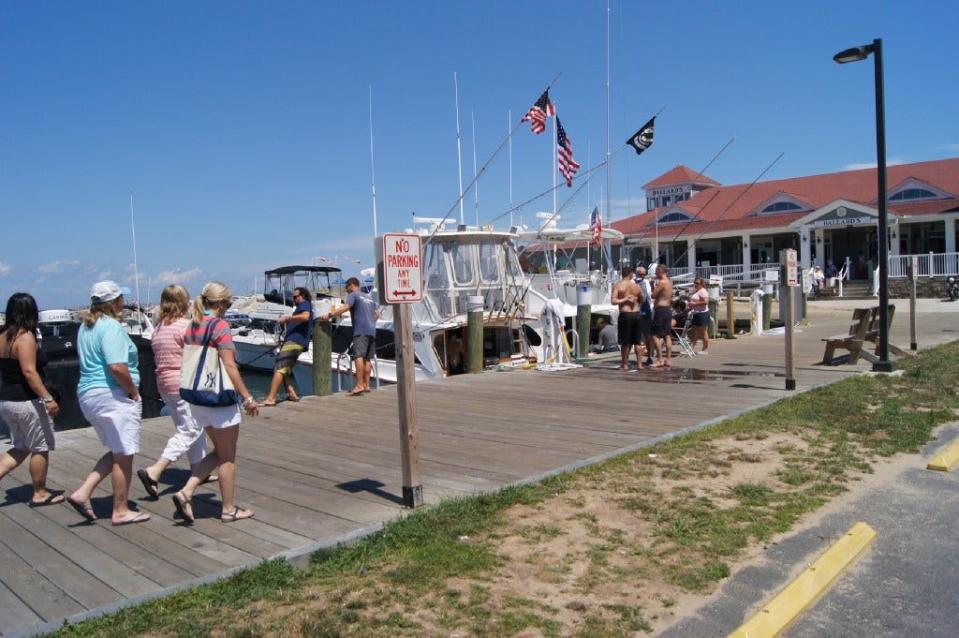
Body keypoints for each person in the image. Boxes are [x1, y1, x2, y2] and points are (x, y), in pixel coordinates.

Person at [172, 282, 259, 524]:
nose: (228, 308)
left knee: (220, 451)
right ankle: (228, 509)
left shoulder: (193, 324)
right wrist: (248, 397)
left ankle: (186, 491)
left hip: (197, 398)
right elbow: (230, 365)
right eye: (228, 304)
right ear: (220, 304)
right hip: (218, 398)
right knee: (228, 457)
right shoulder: (219, 325)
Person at [67, 281, 149, 525]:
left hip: (89, 395)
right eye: (122, 298)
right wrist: (133, 392)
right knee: (125, 453)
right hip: (112, 395)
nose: (125, 302)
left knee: (117, 448)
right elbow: (116, 367)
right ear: (114, 302)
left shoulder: (86, 326)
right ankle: (121, 510)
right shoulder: (111, 327)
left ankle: (83, 493)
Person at [136, 285, 211, 500]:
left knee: (188, 426)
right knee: (191, 430)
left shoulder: (159, 328)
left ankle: (199, 470)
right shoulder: (185, 326)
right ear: (183, 302)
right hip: (183, 383)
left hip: (164, 384)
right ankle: (155, 471)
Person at [0, 292, 63, 506]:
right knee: (40, 446)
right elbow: (29, 372)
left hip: (6, 400)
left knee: (21, 446)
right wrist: (47, 398)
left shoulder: (2, 336)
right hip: (27, 401)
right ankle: (40, 492)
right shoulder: (24, 337)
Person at [322, 277, 379, 395]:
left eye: (347, 289)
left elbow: (346, 307)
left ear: (351, 285)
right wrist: (370, 322)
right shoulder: (368, 297)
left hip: (360, 330)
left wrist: (330, 314)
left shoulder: (354, 295)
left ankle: (359, 385)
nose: (347, 291)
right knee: (367, 358)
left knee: (358, 356)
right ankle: (367, 385)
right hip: (372, 330)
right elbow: (376, 314)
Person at [262, 287, 313, 406]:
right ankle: (292, 393)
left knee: (280, 367)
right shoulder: (299, 308)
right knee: (280, 367)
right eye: (293, 297)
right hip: (291, 341)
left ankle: (271, 398)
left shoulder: (305, 304)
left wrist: (287, 318)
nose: (294, 299)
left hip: (295, 342)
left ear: (303, 296)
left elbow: (305, 316)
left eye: (296, 297)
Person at [611, 265, 644, 370]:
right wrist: (633, 298)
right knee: (638, 341)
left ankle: (625, 364)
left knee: (625, 342)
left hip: (626, 315)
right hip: (636, 314)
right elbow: (642, 300)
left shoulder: (618, 286)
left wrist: (624, 299)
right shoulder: (636, 286)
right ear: (630, 274)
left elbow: (613, 301)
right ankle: (639, 364)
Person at [651, 264, 674, 368]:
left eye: (656, 271)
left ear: (661, 271)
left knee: (655, 335)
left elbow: (653, 295)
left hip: (661, 310)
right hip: (668, 309)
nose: (655, 273)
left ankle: (660, 359)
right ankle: (668, 359)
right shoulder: (669, 282)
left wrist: (652, 285)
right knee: (667, 335)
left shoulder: (662, 282)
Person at [634, 265, 656, 366]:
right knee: (637, 336)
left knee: (648, 335)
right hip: (636, 311)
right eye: (640, 274)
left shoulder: (646, 282)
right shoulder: (632, 282)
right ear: (636, 273)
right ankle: (637, 360)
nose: (642, 276)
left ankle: (650, 356)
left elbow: (650, 297)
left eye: (644, 274)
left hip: (646, 311)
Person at [688, 277, 711, 354]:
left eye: (697, 283)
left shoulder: (703, 291)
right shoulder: (697, 291)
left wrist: (694, 304)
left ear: (701, 284)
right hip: (696, 313)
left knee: (704, 332)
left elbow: (706, 302)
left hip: (703, 314)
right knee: (695, 332)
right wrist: (692, 305)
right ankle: (691, 349)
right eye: (695, 283)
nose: (695, 284)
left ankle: (705, 349)